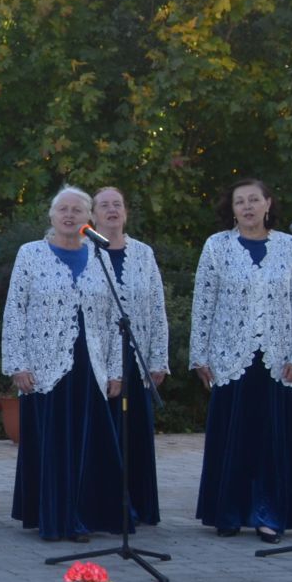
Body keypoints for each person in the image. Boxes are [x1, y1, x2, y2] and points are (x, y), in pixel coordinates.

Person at [190, 178, 292, 543]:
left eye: (254, 200)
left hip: (279, 359)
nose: (247, 207)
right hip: (230, 357)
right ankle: (228, 513)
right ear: (231, 209)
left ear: (268, 204)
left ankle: (271, 516)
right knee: (233, 435)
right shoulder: (217, 246)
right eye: (239, 202)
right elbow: (203, 304)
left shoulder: (290, 246)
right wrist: (199, 355)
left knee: (273, 439)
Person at [1, 186, 127, 542]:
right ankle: (54, 517)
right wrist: (17, 364)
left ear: (88, 218)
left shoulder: (100, 256)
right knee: (53, 442)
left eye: (77, 210)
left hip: (91, 364)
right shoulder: (31, 254)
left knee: (89, 443)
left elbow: (115, 316)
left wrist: (116, 369)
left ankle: (83, 516)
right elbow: (15, 312)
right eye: (63, 210)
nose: (69, 216)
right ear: (52, 216)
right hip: (44, 365)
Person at [91, 187, 169, 525]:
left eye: (117, 204)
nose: (111, 210)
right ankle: (106, 507)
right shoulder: (84, 251)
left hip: (136, 359)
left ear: (126, 212)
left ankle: (138, 505)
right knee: (104, 436)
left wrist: (158, 359)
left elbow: (156, 307)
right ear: (92, 215)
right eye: (104, 205)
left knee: (134, 434)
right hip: (97, 360)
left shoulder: (143, 253)